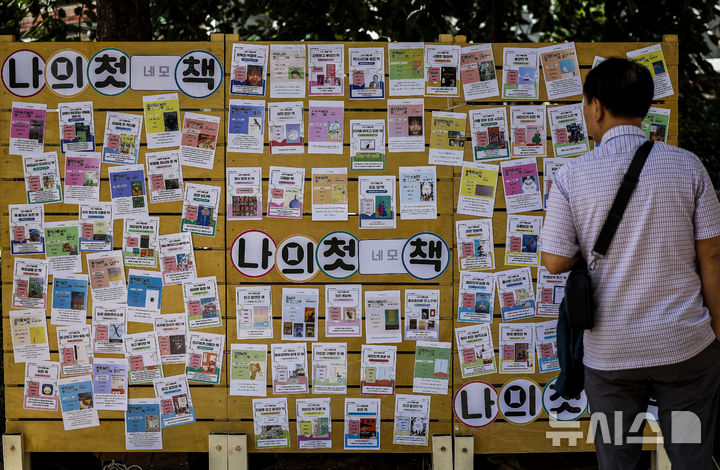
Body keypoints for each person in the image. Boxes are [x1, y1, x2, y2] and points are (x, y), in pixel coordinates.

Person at [541, 57, 720, 469]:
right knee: (690, 455)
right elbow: (712, 253)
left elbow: (554, 260)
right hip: (684, 352)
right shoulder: (688, 165)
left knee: (617, 458)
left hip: (612, 358)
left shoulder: (572, 176)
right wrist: (717, 329)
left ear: (597, 106)